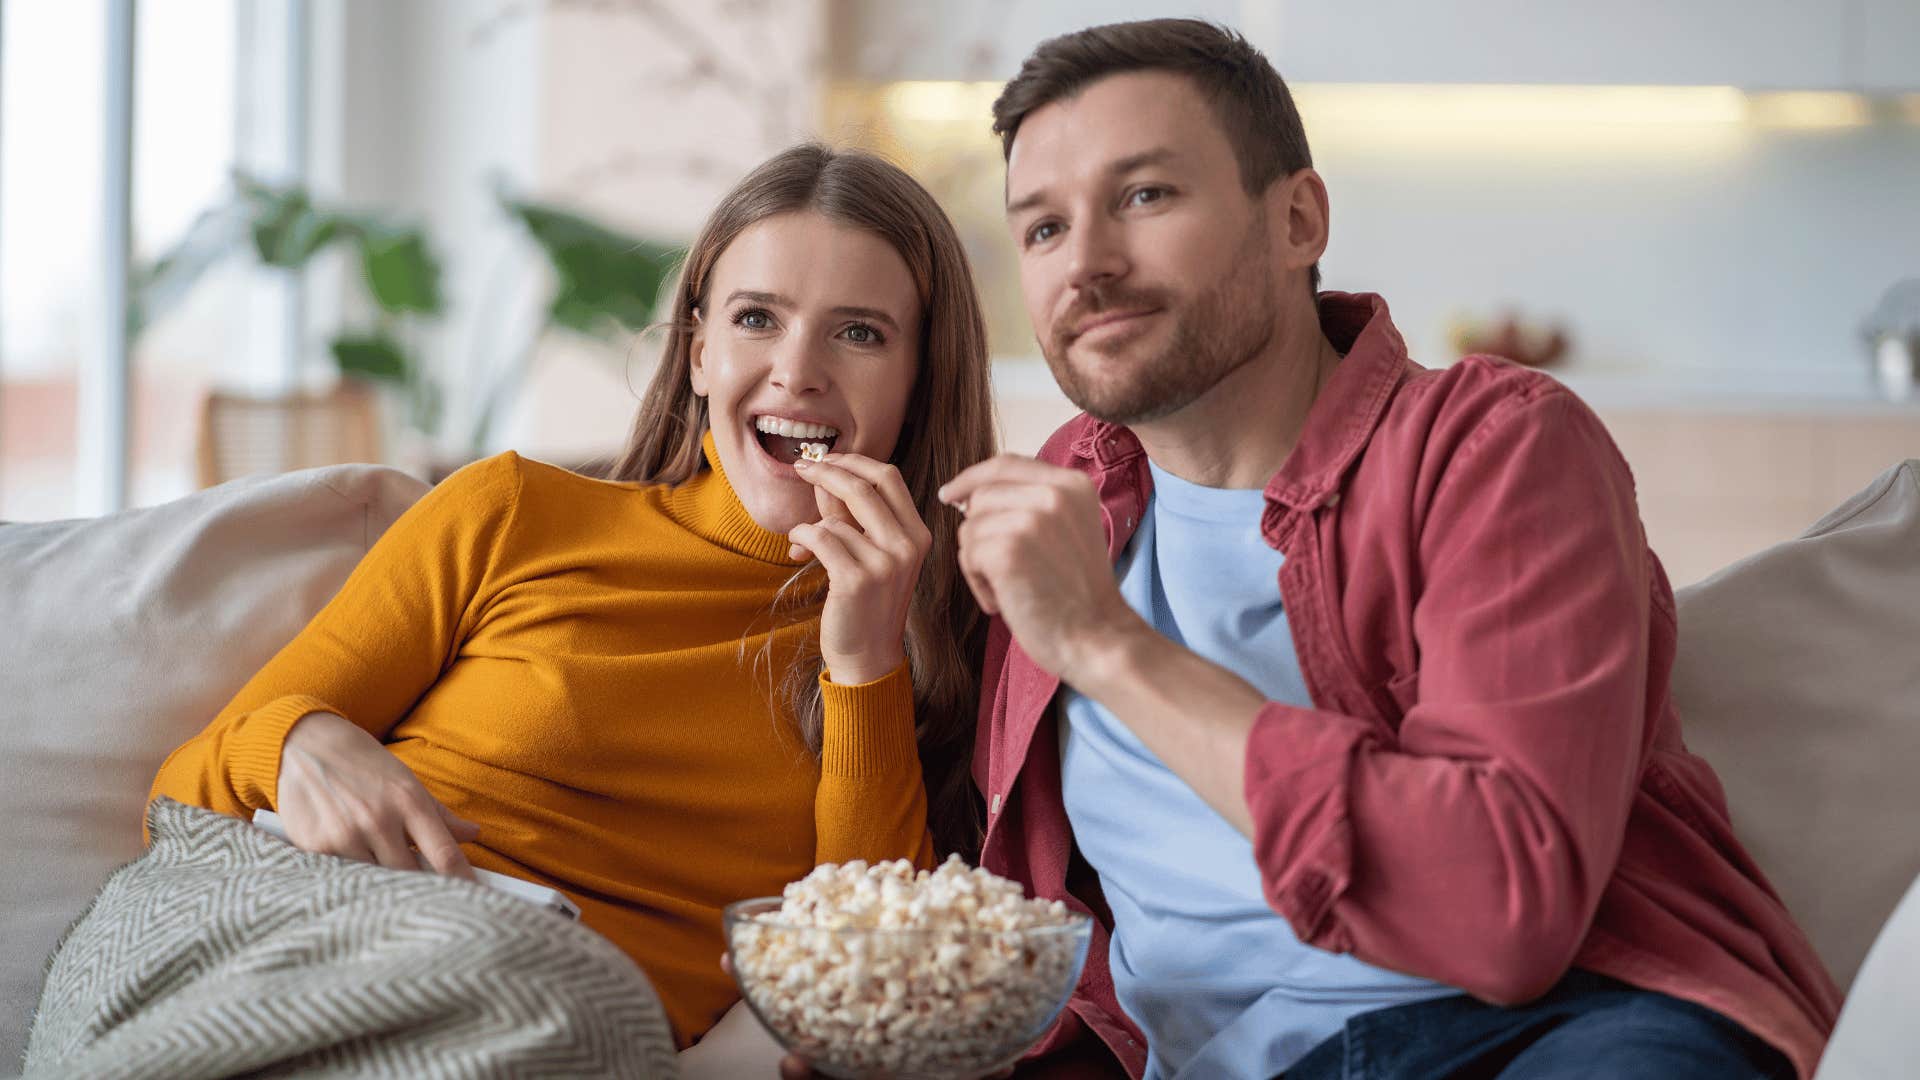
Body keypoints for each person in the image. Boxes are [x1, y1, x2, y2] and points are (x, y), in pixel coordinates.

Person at [936, 18, 1840, 1080]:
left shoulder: (1493, 446)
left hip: (1534, 1034)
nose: (1085, 262)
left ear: (1298, 219)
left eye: (1144, 196)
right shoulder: (1059, 493)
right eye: (1042, 229)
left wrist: (1107, 644)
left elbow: (1506, 916)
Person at [147, 143, 997, 1068]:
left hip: (554, 1033)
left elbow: (869, 993)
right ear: (700, 350)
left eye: (860, 333)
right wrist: (294, 742)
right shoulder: (513, 511)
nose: (798, 372)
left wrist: (865, 663)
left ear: (920, 382)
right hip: (299, 950)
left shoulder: (944, 648)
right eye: (758, 318)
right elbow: (179, 798)